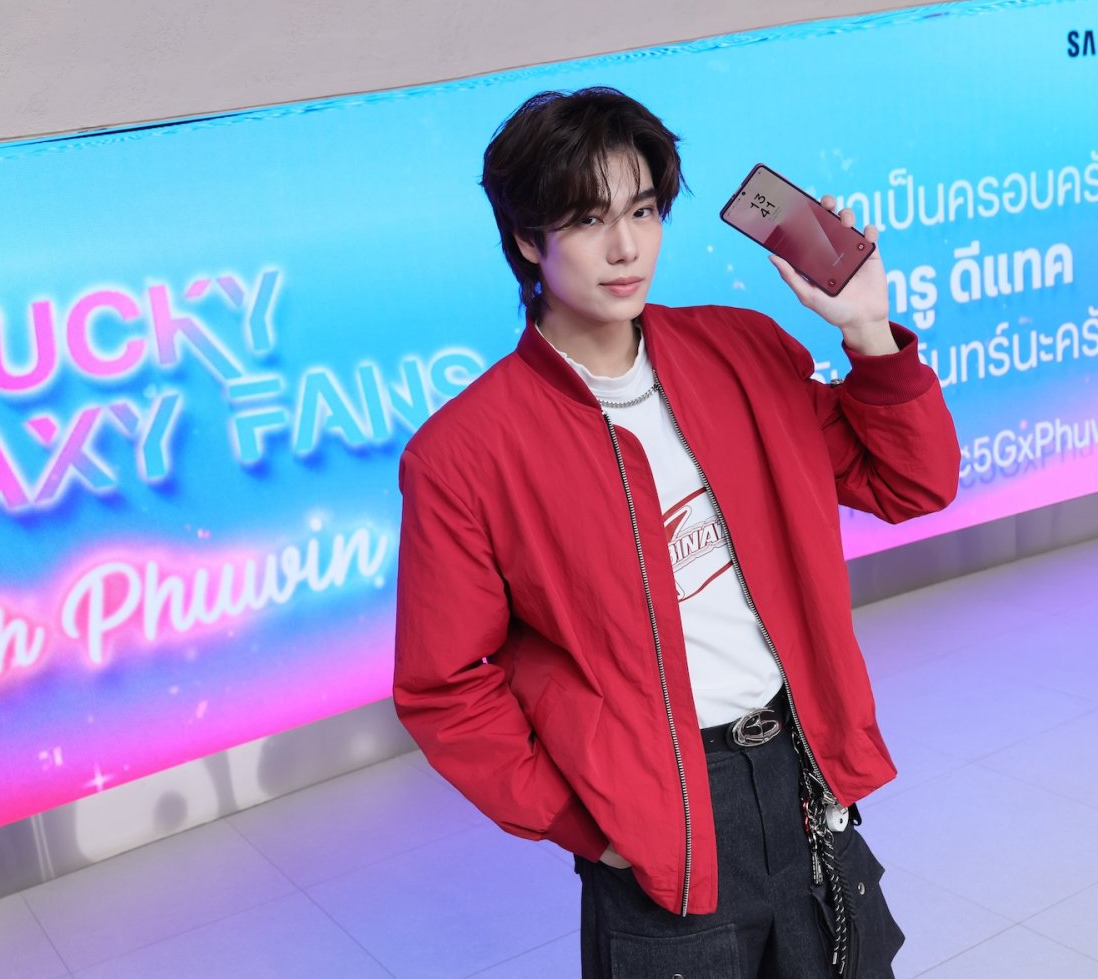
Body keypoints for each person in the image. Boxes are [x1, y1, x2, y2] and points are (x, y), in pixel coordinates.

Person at [391, 86, 959, 978]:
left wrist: (867, 327)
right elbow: (444, 686)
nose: (626, 247)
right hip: (658, 819)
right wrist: (585, 825)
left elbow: (911, 481)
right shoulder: (465, 452)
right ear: (527, 240)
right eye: (588, 219)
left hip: (805, 775)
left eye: (644, 210)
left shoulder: (743, 352)